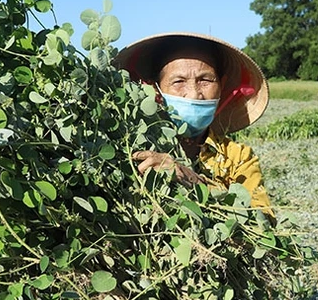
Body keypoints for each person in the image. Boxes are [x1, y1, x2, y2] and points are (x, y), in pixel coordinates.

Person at [114, 33, 272, 213]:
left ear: (222, 85)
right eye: (178, 81)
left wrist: (195, 182)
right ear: (155, 90)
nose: (194, 94)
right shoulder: (131, 148)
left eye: (205, 80)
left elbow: (264, 223)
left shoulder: (238, 158)